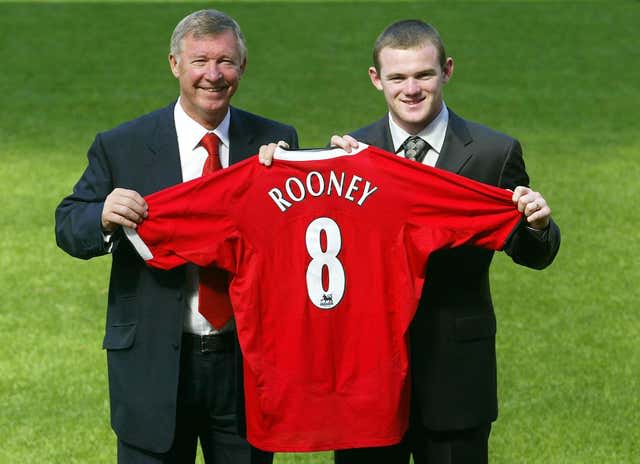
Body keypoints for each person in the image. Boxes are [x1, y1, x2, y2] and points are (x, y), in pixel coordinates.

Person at [55, 9, 298, 464]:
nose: (213, 75)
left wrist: (340, 157)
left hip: (244, 367)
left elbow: (308, 222)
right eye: (199, 61)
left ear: (242, 67)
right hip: (153, 365)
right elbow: (68, 224)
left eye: (226, 62)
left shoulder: (275, 142)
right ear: (174, 65)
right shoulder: (122, 145)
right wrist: (102, 216)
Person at [319, 19, 560, 464]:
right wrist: (276, 163)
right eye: (397, 77)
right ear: (376, 80)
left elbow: (531, 251)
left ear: (446, 71)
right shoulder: (348, 156)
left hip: (456, 378)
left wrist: (538, 226)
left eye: (423, 75)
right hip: (368, 379)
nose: (411, 89)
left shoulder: (493, 153)